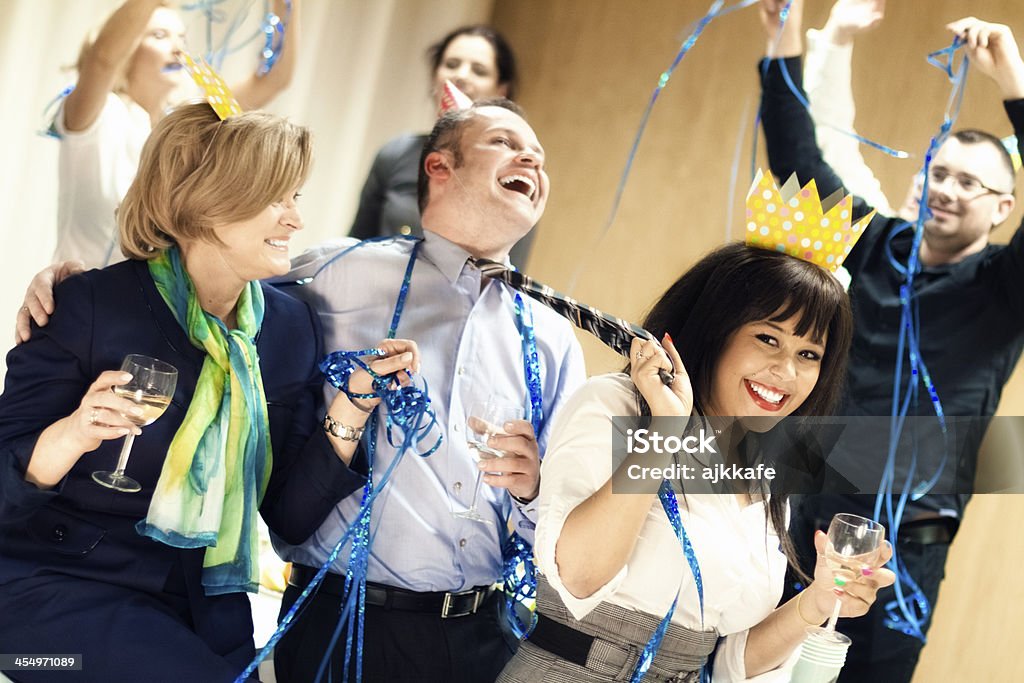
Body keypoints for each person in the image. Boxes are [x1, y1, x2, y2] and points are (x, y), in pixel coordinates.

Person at [0, 101, 419, 681]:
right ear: (208, 206)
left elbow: (290, 519)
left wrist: (351, 406)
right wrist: (71, 435)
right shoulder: (89, 304)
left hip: (202, 607)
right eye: (276, 197)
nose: (296, 219)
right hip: (53, 601)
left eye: (296, 196)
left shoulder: (290, 328)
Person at [269, 97, 586, 683]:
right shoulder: (338, 272)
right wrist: (80, 280)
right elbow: (207, 283)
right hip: (339, 626)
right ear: (439, 168)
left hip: (478, 639)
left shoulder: (553, 336)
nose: (531, 160)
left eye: (539, 157)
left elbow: (572, 523)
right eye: (505, 143)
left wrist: (536, 488)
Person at [759, 3, 1024, 681]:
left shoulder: (1003, 288)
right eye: (940, 172)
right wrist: (784, 32)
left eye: (970, 182)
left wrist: (1015, 82)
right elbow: (797, 156)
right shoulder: (879, 244)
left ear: (1003, 207)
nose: (947, 189)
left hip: (906, 548)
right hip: (807, 517)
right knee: (756, 667)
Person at [498, 241, 896, 682]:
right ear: (716, 330)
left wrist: (818, 600)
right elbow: (578, 577)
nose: (786, 371)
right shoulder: (619, 406)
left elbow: (725, 663)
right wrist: (665, 430)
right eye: (768, 339)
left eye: (809, 354)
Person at [53, 0, 299, 269]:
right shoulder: (98, 114)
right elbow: (102, 59)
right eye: (160, 36)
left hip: (148, 301)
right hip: (80, 294)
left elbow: (274, 80)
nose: (178, 48)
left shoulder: (185, 125)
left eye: (182, 38)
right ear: (127, 45)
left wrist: (286, 4)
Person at [348, 24, 537, 267]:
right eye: (451, 64)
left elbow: (506, 282)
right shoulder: (396, 153)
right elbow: (353, 247)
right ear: (434, 76)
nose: (461, 75)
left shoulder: (515, 178)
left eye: (478, 70)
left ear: (501, 90)